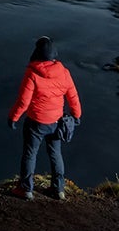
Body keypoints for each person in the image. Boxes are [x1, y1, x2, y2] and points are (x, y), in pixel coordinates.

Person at [7, 35, 81, 200]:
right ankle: (59, 189)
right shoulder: (64, 72)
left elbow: (23, 101)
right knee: (55, 154)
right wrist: (76, 115)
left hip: (36, 123)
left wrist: (13, 117)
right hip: (57, 122)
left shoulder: (32, 72)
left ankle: (26, 189)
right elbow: (73, 96)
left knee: (30, 154)